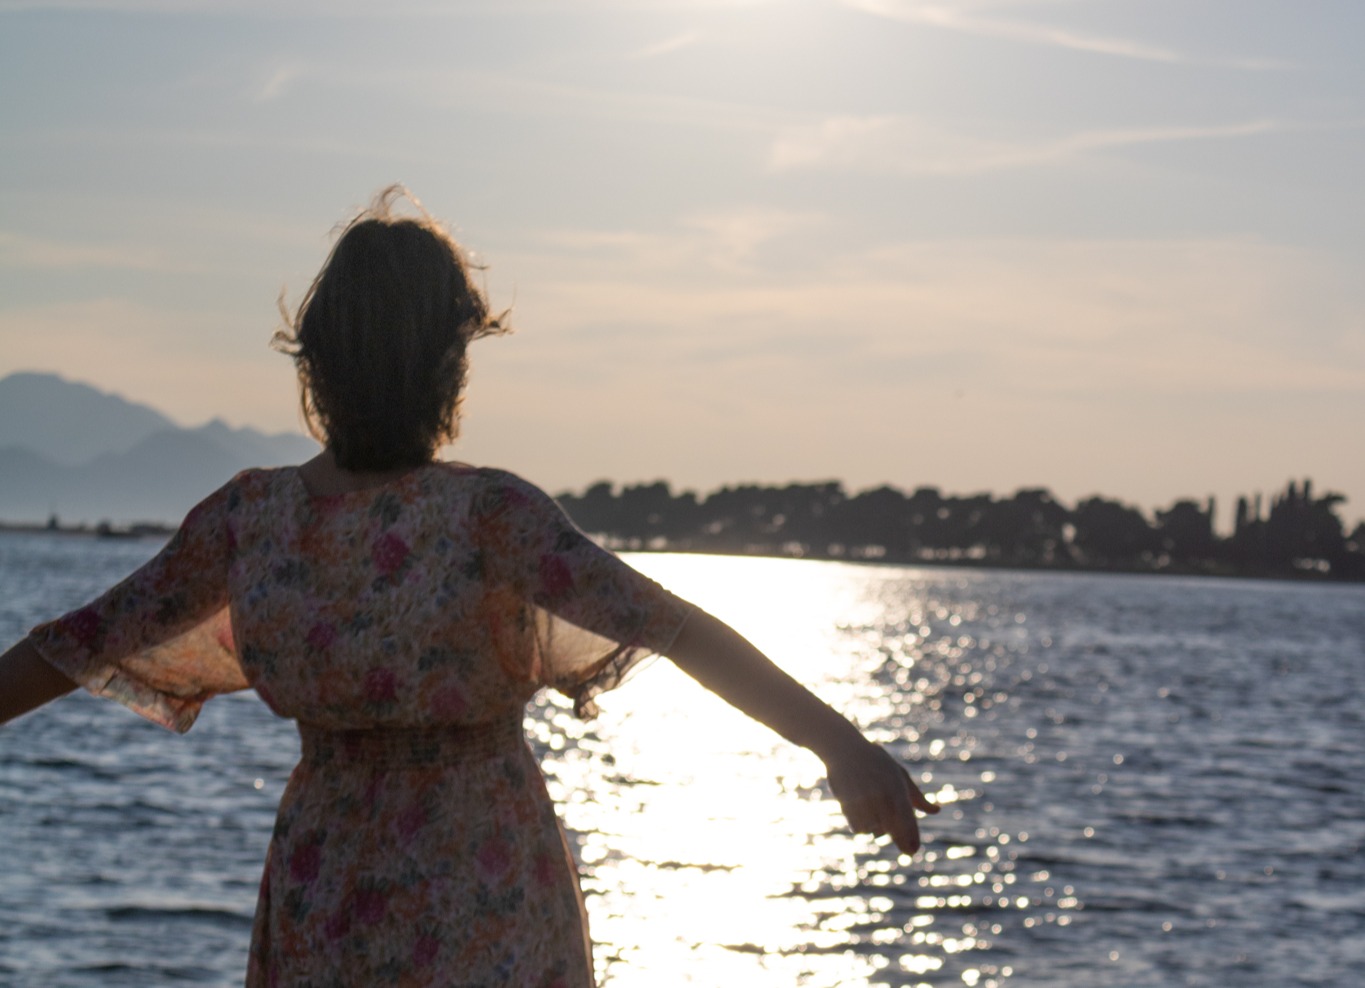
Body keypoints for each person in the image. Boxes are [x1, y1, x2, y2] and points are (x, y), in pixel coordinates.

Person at [0, 186, 938, 986]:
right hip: (484, 884)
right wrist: (838, 744)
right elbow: (677, 630)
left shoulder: (252, 519)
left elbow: (70, 645)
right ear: (446, 364)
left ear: (317, 362)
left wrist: (840, 746)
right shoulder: (492, 517)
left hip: (327, 884)